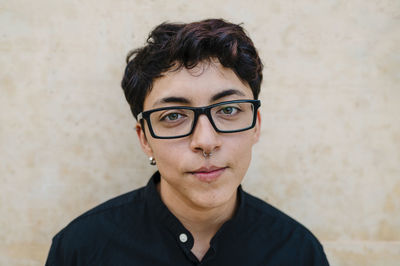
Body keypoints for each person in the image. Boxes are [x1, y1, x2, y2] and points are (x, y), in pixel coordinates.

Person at [45, 18, 329, 265]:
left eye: (228, 110)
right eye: (173, 116)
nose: (206, 141)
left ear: (256, 125)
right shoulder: (80, 249)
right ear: (145, 139)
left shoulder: (298, 251)